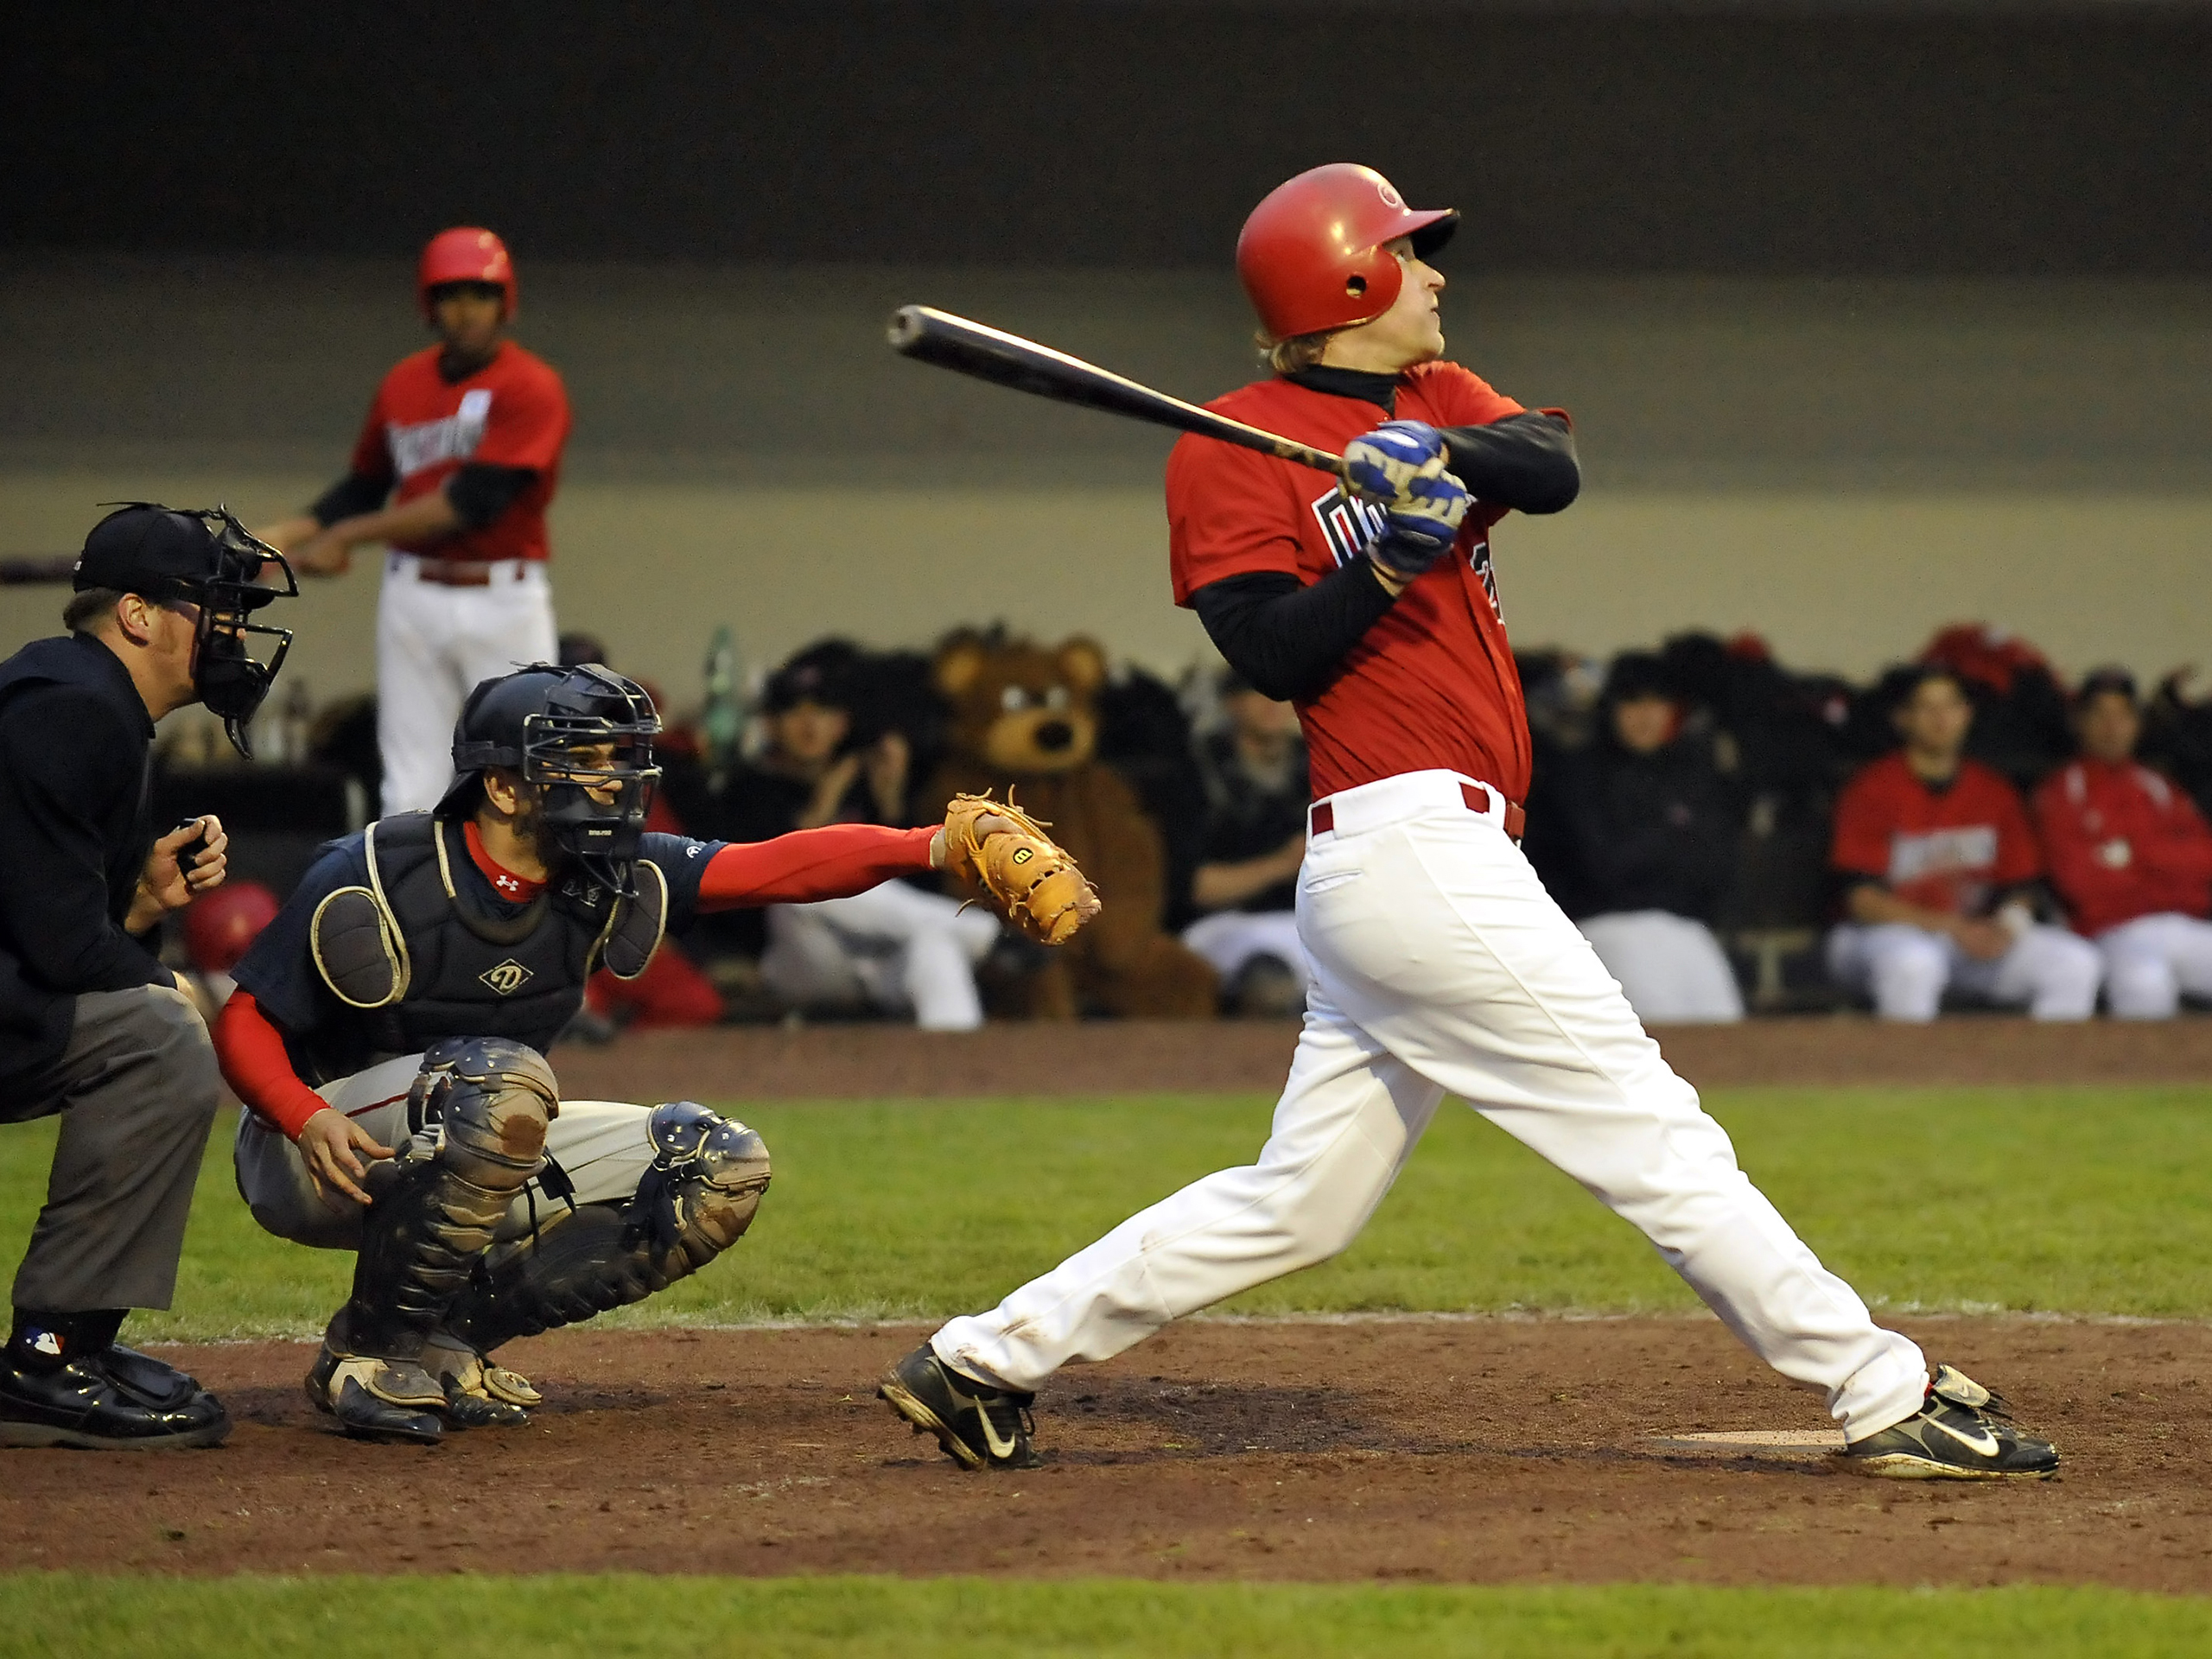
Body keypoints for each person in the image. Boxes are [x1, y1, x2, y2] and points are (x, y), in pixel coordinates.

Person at [877, 162, 2056, 1481]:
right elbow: (1267, 651)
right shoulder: (1228, 443)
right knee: (1650, 1128)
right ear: (1348, 280)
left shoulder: (1435, 394)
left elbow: (1552, 466)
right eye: (1407, 255)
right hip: (1406, 846)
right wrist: (1384, 560)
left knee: (1300, 1206)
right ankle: (1879, 1388)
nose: (1434, 276)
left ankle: (982, 1360)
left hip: (1431, 860)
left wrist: (1437, 457)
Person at [213, 664, 1046, 1443]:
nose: (614, 782)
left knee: (714, 1167)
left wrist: (936, 845)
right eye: (582, 762)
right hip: (313, 1147)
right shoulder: (380, 869)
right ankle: (367, 1353)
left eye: (618, 760)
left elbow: (772, 869)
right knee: (500, 1080)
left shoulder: (608, 869)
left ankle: (444, 1339)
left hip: (476, 1120)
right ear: (502, 786)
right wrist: (303, 1116)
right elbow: (245, 1019)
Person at [0, 503, 298, 1449]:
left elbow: (38, 923)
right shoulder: (72, 709)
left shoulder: (82, 696)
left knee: (152, 1022)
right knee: (159, 1034)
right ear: (136, 615)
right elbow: (57, 950)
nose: (234, 633)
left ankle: (78, 1341)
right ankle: (48, 1356)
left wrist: (137, 909)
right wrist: (165, 984)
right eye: (215, 608)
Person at [256, 228, 572, 817]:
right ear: (430, 305)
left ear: (505, 302)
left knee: (527, 774)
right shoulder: (404, 383)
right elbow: (365, 485)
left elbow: (470, 503)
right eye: (451, 295)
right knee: (410, 786)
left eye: (481, 294)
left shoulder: (531, 386)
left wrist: (343, 538)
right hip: (414, 596)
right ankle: (416, 882)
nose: (466, 310)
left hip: (503, 598)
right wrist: (284, 537)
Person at [735, 647, 998, 1032]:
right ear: (771, 725)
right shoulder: (750, 789)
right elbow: (755, 892)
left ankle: (959, 1060)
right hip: (803, 958)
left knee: (935, 943)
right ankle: (986, 935)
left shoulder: (868, 789)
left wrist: (891, 806)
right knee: (809, 882)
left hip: (878, 956)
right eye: (794, 710)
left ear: (842, 724)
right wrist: (823, 805)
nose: (810, 724)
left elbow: (923, 889)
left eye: (823, 710)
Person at [1827, 665, 2100, 1021]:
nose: (1941, 719)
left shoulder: (1993, 791)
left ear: (1966, 715)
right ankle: (1909, 1060)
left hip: (1970, 937)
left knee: (2074, 962)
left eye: (1951, 706)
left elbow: (2022, 885)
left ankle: (2042, 1060)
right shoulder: (1872, 789)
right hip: (1881, 937)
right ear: (1902, 719)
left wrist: (2007, 926)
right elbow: (1863, 902)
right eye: (1927, 708)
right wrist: (1952, 927)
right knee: (1915, 964)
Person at [1556, 653, 1745, 1024]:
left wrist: (1654, 847)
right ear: (1611, 708)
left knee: (1727, 1026)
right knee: (1665, 1027)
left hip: (1687, 928)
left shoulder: (1689, 773)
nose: (1646, 716)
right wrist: (1673, 838)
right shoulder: (1580, 775)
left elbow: (1716, 867)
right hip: (1607, 925)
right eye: (1633, 702)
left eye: (1657, 703)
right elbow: (1602, 868)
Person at [2034, 669, 2212, 1019]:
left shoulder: (2158, 786)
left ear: (2137, 724)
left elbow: (2204, 860)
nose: (2112, 727)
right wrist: (2166, 868)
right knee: (2145, 983)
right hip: (2111, 932)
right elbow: (2081, 884)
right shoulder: (2062, 791)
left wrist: (2134, 855)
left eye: (2123, 715)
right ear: (2079, 722)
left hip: (2183, 923)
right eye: (2100, 714)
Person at [1179, 671, 1311, 1014]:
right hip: (1228, 926)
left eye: (1283, 694)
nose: (1272, 704)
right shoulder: (1200, 770)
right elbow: (1197, 888)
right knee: (1267, 980)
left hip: (1312, 923)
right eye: (1258, 692)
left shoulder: (1317, 762)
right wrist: (1283, 864)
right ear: (1232, 703)